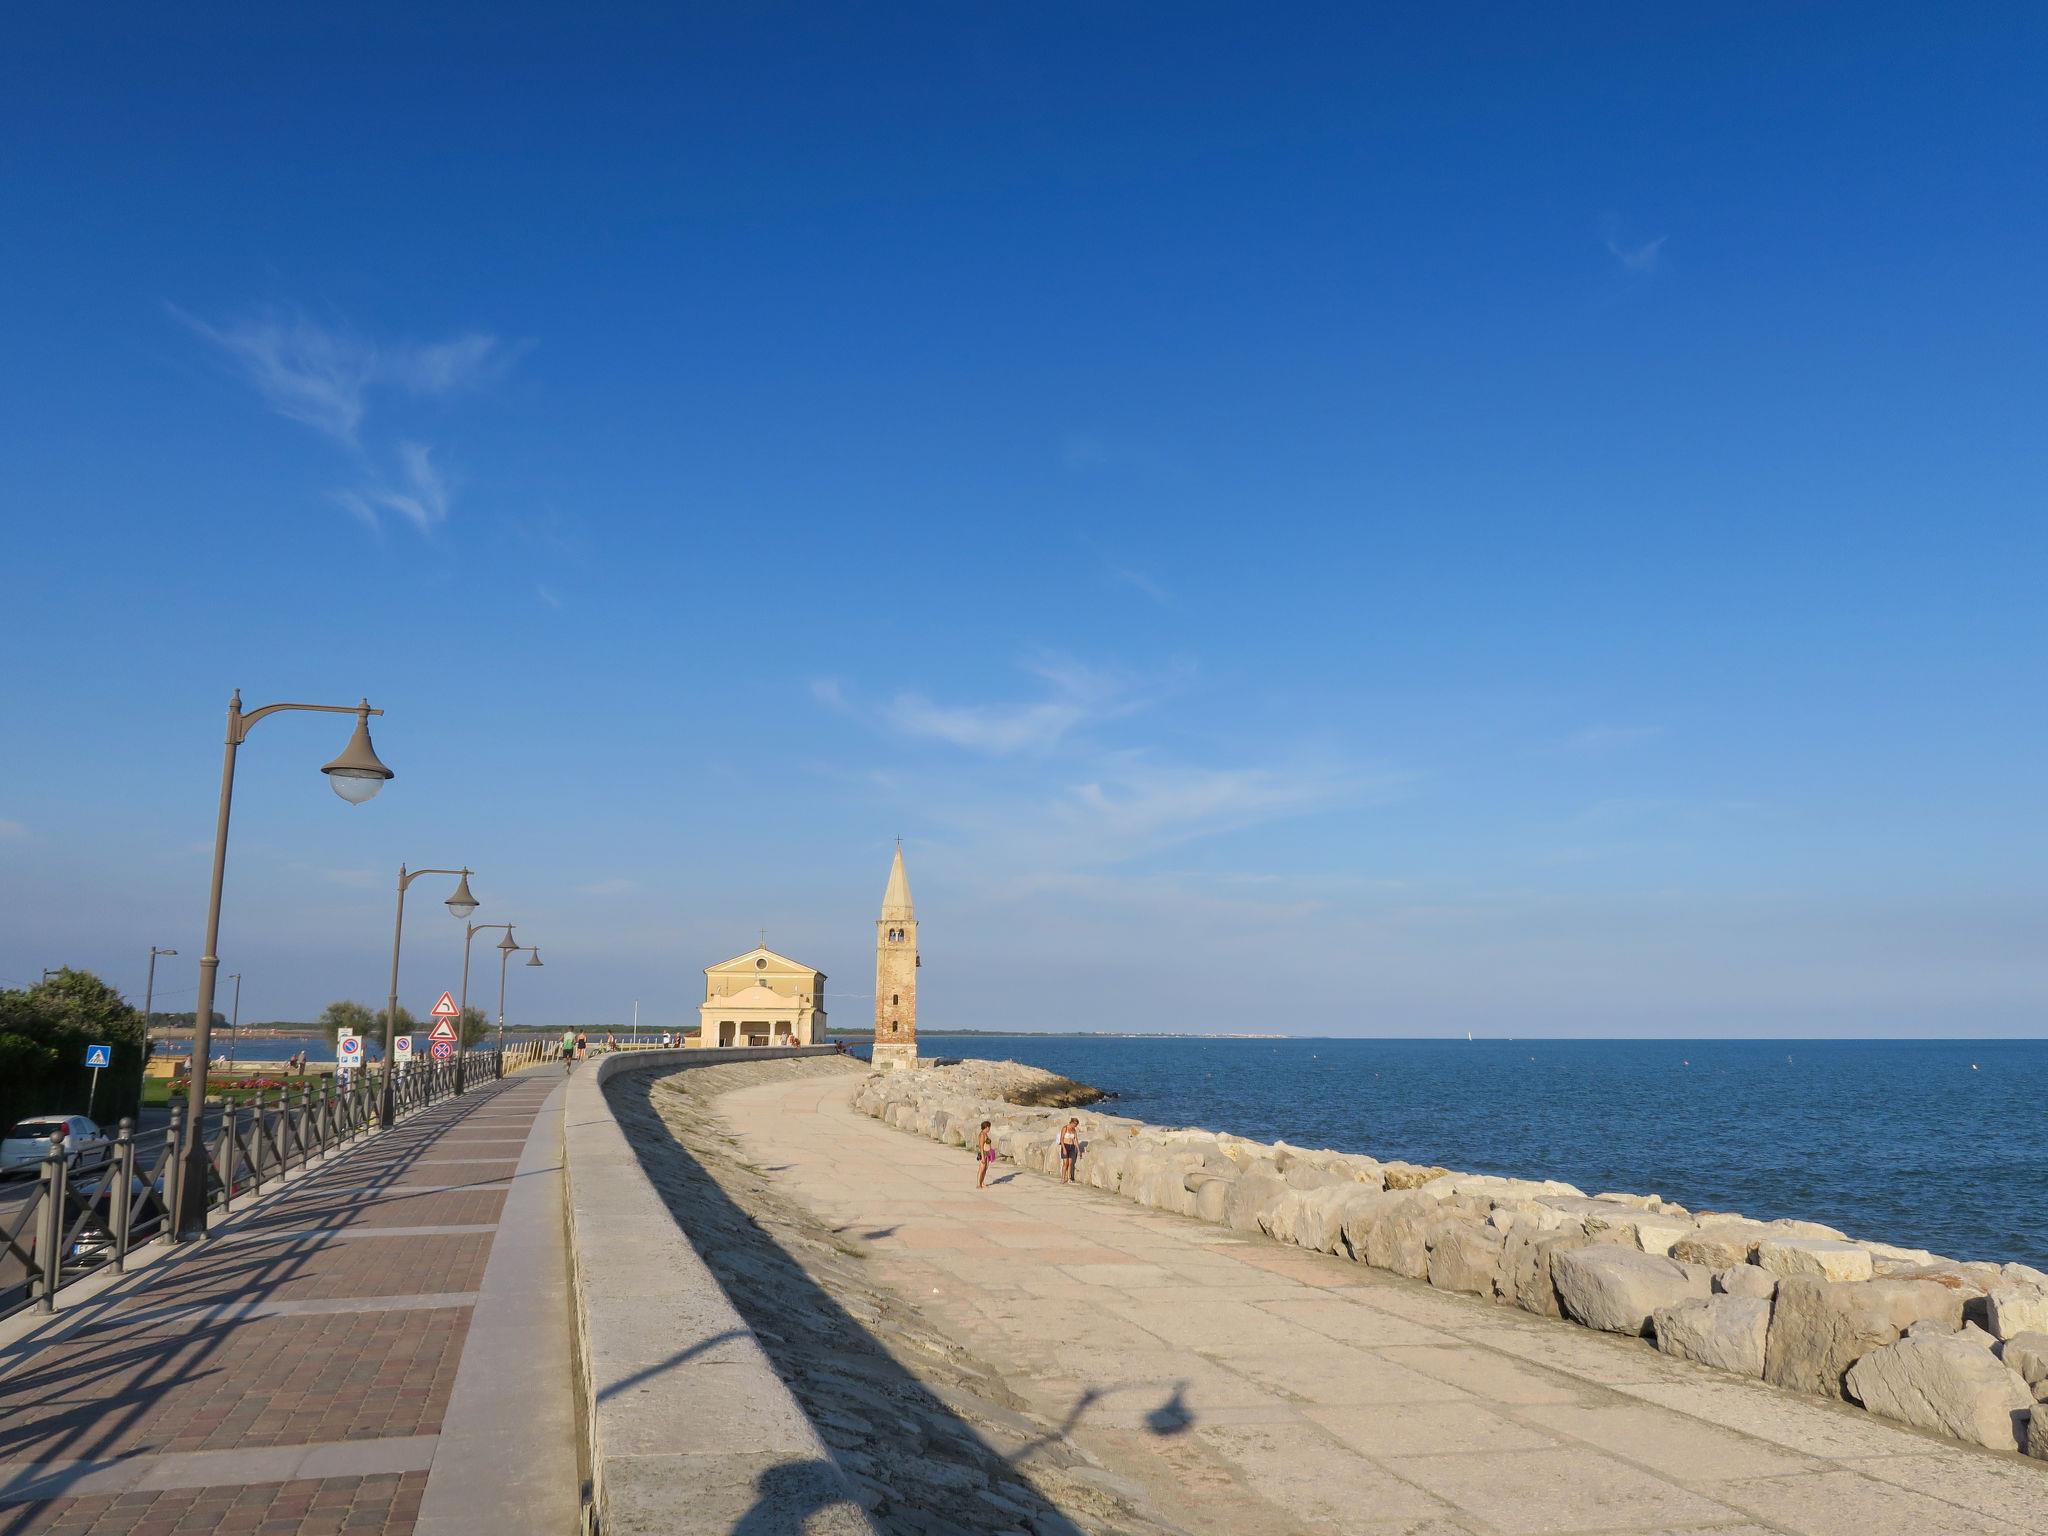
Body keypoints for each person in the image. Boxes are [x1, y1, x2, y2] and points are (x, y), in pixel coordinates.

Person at [975, 1121, 996, 1189]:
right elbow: (981, 1146)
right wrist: (983, 1157)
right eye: (989, 1127)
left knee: (985, 1169)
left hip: (987, 1153)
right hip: (983, 1153)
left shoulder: (985, 1134)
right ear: (986, 1127)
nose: (989, 1129)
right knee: (981, 1169)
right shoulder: (982, 1135)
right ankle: (978, 1184)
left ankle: (982, 1182)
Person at [1059, 1118, 1080, 1183]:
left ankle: (1069, 1178)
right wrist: (1064, 1149)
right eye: (1075, 1124)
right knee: (1065, 1163)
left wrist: (1078, 1150)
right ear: (1072, 1123)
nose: (1075, 1126)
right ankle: (1063, 1178)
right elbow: (1061, 1139)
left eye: (1076, 1125)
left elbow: (1075, 1140)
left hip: (1072, 1147)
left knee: (1070, 1164)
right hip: (1065, 1146)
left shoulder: (1074, 1130)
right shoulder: (1065, 1128)